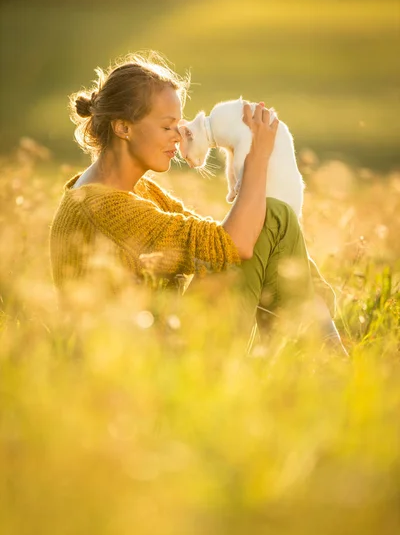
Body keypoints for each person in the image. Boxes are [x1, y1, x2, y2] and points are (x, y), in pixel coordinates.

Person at [50, 51, 347, 355]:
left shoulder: (132, 191)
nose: (177, 138)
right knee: (270, 217)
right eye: (167, 127)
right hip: (146, 365)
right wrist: (257, 156)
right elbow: (236, 244)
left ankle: (318, 348)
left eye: (178, 127)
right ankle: (322, 354)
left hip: (163, 342)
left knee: (270, 220)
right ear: (123, 128)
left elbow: (214, 241)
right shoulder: (103, 207)